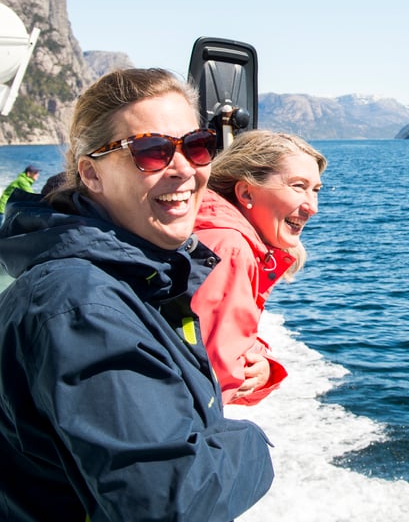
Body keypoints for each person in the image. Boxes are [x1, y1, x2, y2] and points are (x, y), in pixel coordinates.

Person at [0, 68, 273, 521]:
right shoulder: (80, 306)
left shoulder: (133, 277)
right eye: (152, 152)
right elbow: (175, 507)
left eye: (197, 145)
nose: (185, 169)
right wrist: (252, 443)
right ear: (91, 173)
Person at [192, 130, 326, 405]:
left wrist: (260, 360)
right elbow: (218, 376)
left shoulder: (214, 234)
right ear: (245, 192)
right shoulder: (230, 249)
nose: (312, 207)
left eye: (315, 190)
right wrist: (261, 369)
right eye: (298, 186)